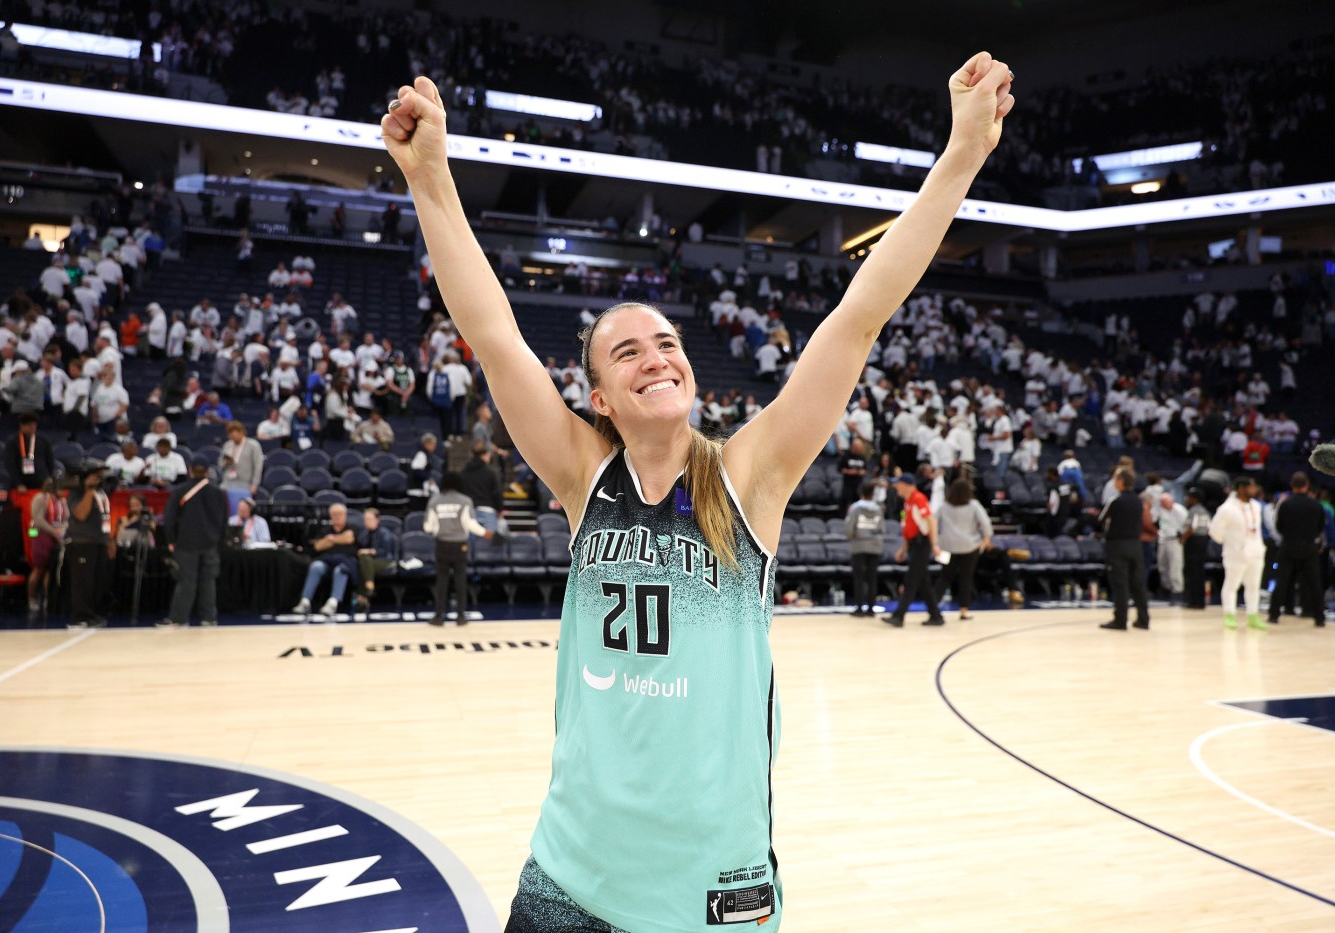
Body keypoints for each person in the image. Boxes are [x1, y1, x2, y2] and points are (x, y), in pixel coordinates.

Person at [384, 51, 1013, 930]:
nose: (658, 356)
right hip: (569, 876)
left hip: (713, 891)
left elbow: (860, 313)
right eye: (628, 349)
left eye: (669, 342)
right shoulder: (581, 474)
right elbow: (493, 334)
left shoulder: (750, 474)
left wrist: (960, 158)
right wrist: (431, 180)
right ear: (599, 397)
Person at [157, 459, 228, 628]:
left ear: (190, 470)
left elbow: (169, 519)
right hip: (210, 543)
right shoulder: (218, 493)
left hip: (186, 543)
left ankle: (179, 619)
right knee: (208, 581)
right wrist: (219, 540)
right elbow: (224, 521)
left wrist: (171, 540)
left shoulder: (180, 491)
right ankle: (209, 618)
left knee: (186, 581)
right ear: (207, 471)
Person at [423, 471, 494, 624]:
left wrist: (440, 530)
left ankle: (438, 616)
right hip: (460, 545)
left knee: (442, 580)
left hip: (442, 545)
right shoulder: (465, 501)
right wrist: (486, 533)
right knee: (460, 580)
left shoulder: (435, 501)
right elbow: (470, 524)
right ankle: (461, 616)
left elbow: (428, 527)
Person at [884, 473, 945, 626]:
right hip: (913, 544)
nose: (896, 487)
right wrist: (903, 548)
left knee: (911, 581)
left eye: (898, 484)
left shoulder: (918, 499)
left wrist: (934, 544)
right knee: (923, 583)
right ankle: (936, 616)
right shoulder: (907, 502)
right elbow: (908, 528)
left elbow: (931, 521)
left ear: (906, 485)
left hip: (922, 544)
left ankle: (899, 616)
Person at [1268, 472, 1326, 627]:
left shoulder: (1285, 504)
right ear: (1306, 485)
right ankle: (1319, 617)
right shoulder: (1316, 505)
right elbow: (1320, 527)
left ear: (1292, 486)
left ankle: (1274, 615)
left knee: (1281, 581)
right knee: (1314, 583)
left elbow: (1279, 526)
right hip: (1309, 547)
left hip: (1288, 546)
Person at [1209, 476, 1268, 630]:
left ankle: (1253, 615)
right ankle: (1229, 615)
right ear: (1242, 488)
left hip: (1255, 552)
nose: (1255, 489)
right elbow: (1214, 530)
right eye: (1252, 486)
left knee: (1254, 586)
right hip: (1236, 553)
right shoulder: (1227, 509)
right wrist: (1228, 542)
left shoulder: (1256, 506)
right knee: (1231, 585)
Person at [931, 476, 992, 620]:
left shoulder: (945, 505)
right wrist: (986, 539)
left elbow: (933, 519)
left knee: (944, 577)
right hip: (969, 547)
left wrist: (935, 542)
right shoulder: (973, 505)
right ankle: (964, 610)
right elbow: (986, 523)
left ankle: (933, 607)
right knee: (966, 578)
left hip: (946, 546)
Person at [1098, 466, 1150, 630]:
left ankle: (1120, 620)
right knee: (1138, 583)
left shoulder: (1116, 500)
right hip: (1136, 545)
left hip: (1117, 545)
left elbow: (1101, 519)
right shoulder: (1138, 501)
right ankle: (1143, 619)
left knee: (1120, 583)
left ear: (1120, 482)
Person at [65, 461, 114, 629]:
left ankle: (91, 614)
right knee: (82, 582)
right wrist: (89, 490)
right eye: (97, 474)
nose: (100, 477)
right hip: (82, 542)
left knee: (96, 581)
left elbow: (105, 517)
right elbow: (80, 515)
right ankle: (78, 618)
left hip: (98, 541)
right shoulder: (77, 492)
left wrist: (109, 540)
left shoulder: (101, 492)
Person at [292, 503, 358, 615]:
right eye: (334, 514)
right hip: (327, 562)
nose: (337, 516)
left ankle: (333, 603)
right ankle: (305, 601)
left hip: (345, 561)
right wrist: (339, 539)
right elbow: (318, 546)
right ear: (330, 516)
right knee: (316, 566)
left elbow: (349, 539)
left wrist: (330, 540)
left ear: (345, 515)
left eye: (339, 514)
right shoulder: (325, 530)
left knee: (341, 570)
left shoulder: (353, 528)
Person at [27, 476, 68, 615]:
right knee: (39, 569)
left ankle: (47, 599)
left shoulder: (62, 501)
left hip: (56, 537)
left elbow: (67, 518)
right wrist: (53, 531)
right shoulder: (40, 498)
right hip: (41, 536)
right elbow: (37, 519)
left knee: (52, 569)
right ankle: (31, 599)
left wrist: (62, 529)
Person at [844, 480, 885, 616]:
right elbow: (882, 528)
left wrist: (851, 537)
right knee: (872, 578)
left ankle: (860, 609)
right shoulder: (878, 508)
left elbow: (849, 527)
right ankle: (871, 609)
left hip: (859, 545)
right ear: (873, 494)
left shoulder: (855, 507)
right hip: (875, 546)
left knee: (859, 578)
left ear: (861, 493)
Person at [356, 507, 397, 609]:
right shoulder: (364, 534)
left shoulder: (384, 533)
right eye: (365, 519)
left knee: (365, 561)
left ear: (377, 520)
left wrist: (370, 551)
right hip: (369, 562)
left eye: (369, 519)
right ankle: (368, 590)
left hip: (386, 561)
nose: (366, 522)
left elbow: (386, 552)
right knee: (364, 561)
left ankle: (364, 593)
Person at [3, 412, 55, 491]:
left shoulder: (43, 440)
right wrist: (18, 483)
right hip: (23, 483)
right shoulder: (13, 442)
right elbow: (10, 465)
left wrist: (49, 478)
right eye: (29, 424)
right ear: (22, 425)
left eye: (34, 424)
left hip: (42, 481)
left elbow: (50, 461)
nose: (32, 427)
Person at [219, 421, 263, 514]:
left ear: (242, 432)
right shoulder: (227, 445)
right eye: (230, 434)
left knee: (242, 511)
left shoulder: (253, 445)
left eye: (235, 433)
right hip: (228, 483)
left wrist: (254, 484)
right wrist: (226, 462)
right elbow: (220, 464)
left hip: (245, 483)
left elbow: (258, 466)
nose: (233, 436)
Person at [1155, 492, 1188, 604]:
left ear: (1170, 501)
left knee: (1175, 566)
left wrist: (1182, 537)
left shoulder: (1180, 510)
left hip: (1175, 540)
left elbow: (1187, 525)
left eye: (1164, 502)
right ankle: (1166, 587)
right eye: (1161, 502)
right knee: (1162, 566)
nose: (1162, 504)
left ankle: (1177, 591)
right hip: (1163, 540)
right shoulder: (1160, 510)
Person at [1182, 487, 1212, 609]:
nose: (1186, 499)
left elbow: (1192, 527)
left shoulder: (1193, 510)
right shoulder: (1205, 511)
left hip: (1193, 542)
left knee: (1192, 572)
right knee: (1200, 572)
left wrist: (1182, 538)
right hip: (1204, 541)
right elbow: (1210, 527)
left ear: (1194, 499)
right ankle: (1201, 601)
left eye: (1189, 497)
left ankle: (1193, 602)